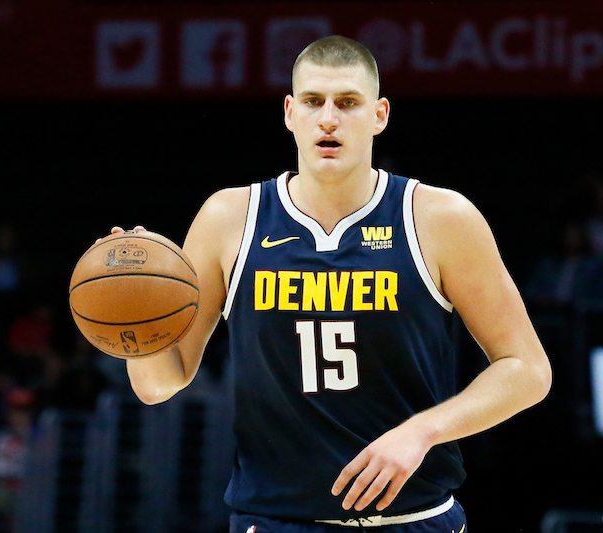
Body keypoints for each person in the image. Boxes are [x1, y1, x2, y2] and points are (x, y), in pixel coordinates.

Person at [107, 36, 551, 531]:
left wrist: (424, 430)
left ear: (379, 115)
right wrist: (131, 315)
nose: (328, 119)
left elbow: (528, 369)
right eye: (313, 101)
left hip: (416, 518)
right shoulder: (229, 219)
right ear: (289, 112)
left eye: (348, 103)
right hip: (276, 520)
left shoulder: (439, 218)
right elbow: (161, 383)